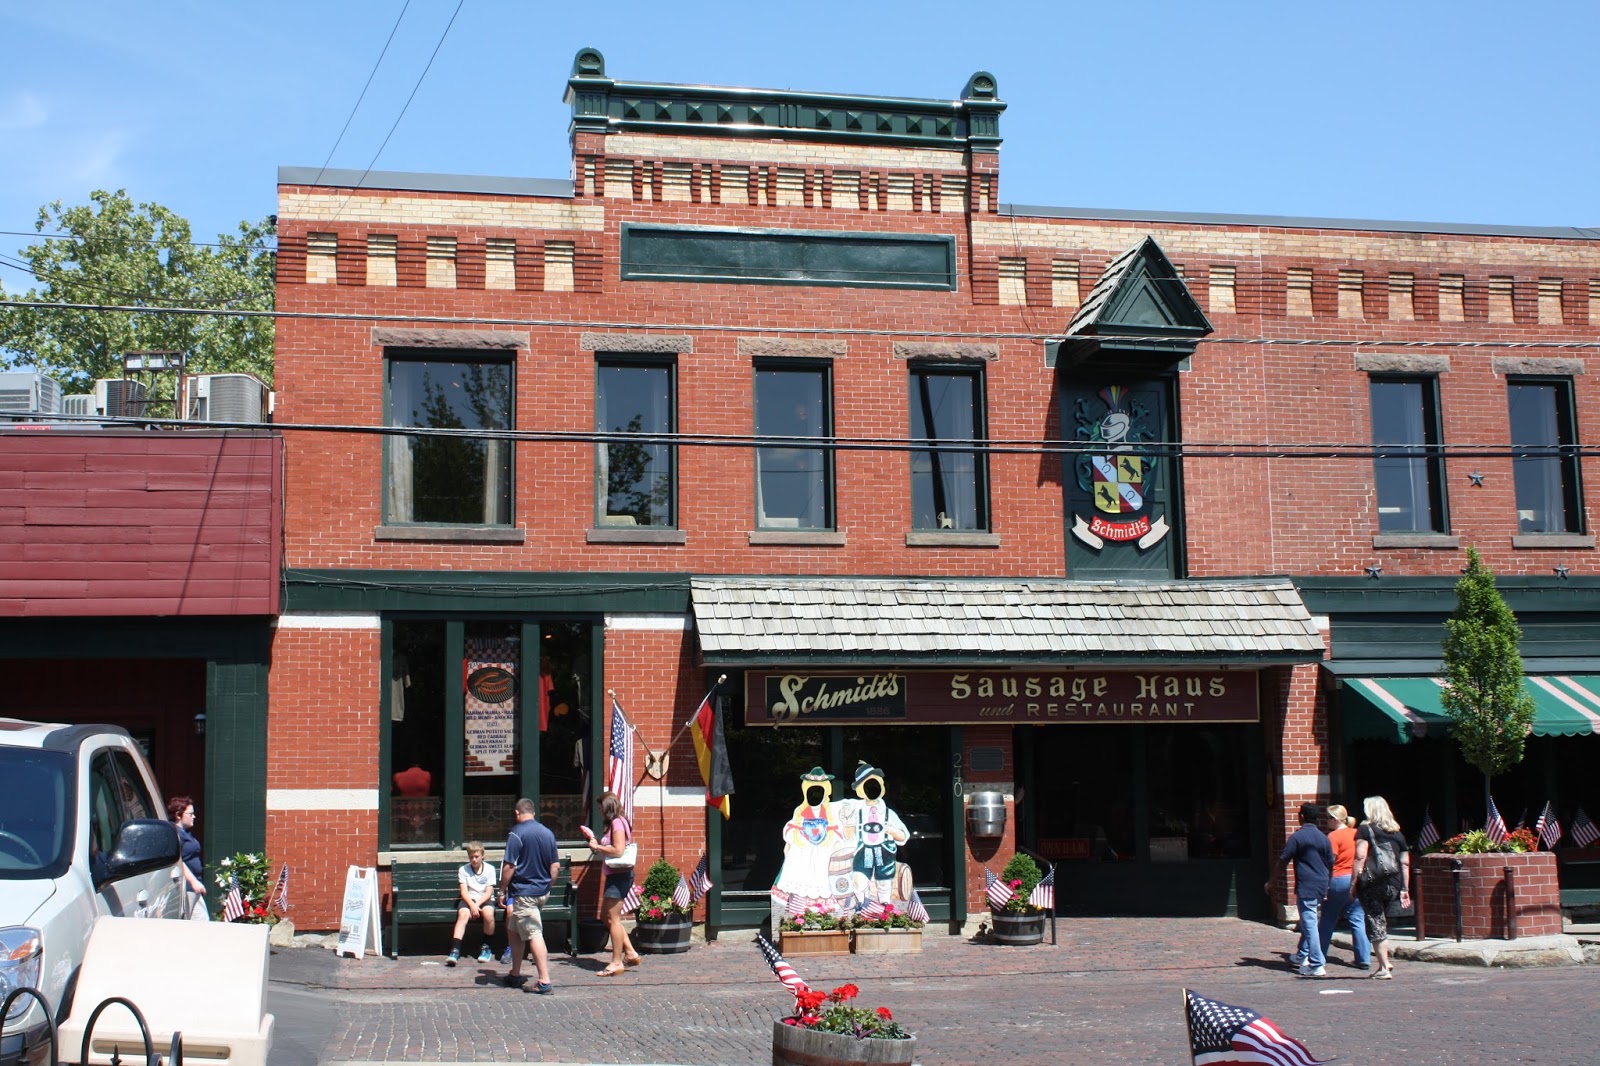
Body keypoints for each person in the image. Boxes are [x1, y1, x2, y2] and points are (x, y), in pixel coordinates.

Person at [498, 798, 559, 993]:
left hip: (524, 893)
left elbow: (509, 866)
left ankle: (544, 980)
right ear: (533, 812)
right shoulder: (547, 833)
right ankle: (515, 974)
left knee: (533, 933)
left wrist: (501, 890)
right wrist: (548, 885)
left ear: (517, 813)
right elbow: (555, 866)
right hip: (541, 891)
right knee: (515, 931)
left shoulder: (516, 833)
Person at [580, 791, 642, 976]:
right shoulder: (618, 822)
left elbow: (618, 850)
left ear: (607, 807)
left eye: (600, 808)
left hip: (619, 876)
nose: (599, 811)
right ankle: (630, 953)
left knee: (613, 918)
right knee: (606, 916)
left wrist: (597, 847)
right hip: (617, 875)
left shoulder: (616, 822)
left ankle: (616, 962)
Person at [1350, 795, 1411, 980]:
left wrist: (1353, 884)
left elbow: (1360, 856)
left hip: (1372, 882)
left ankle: (1384, 966)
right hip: (1393, 883)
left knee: (1376, 923)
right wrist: (1405, 889)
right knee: (1380, 920)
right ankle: (1384, 962)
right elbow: (1405, 863)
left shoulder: (1365, 829)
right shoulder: (1397, 833)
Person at [1274, 801, 1333, 977]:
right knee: (1311, 921)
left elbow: (1283, 860)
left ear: (1301, 817)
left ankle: (1316, 964)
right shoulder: (1324, 838)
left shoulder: (1297, 837)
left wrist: (1272, 881)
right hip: (1322, 884)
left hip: (1307, 885)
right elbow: (1331, 862)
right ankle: (1301, 956)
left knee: (1309, 923)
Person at [1316, 803, 1371, 970]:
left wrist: (1324, 884)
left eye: (1327, 818)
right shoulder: (1356, 833)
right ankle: (1364, 958)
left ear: (1334, 819)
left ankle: (1319, 954)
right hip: (1357, 878)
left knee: (1328, 918)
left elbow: (1329, 861)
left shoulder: (1333, 837)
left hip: (1338, 879)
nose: (1326, 821)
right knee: (1357, 918)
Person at [446, 842, 498, 966]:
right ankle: (455, 949)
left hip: (484, 899)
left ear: (482, 856)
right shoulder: (463, 870)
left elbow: (489, 891)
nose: (474, 860)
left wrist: (478, 905)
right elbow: (464, 891)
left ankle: (486, 947)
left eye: (476, 856)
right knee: (463, 914)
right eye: (471, 857)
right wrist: (472, 905)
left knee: (488, 914)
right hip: (469, 899)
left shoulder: (490, 869)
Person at [168, 796, 209, 921]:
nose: (194, 816)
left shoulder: (185, 833)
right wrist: (193, 882)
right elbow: (178, 860)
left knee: (199, 922)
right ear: (178, 815)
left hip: (192, 888)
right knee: (201, 922)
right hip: (187, 888)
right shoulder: (174, 834)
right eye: (190, 814)